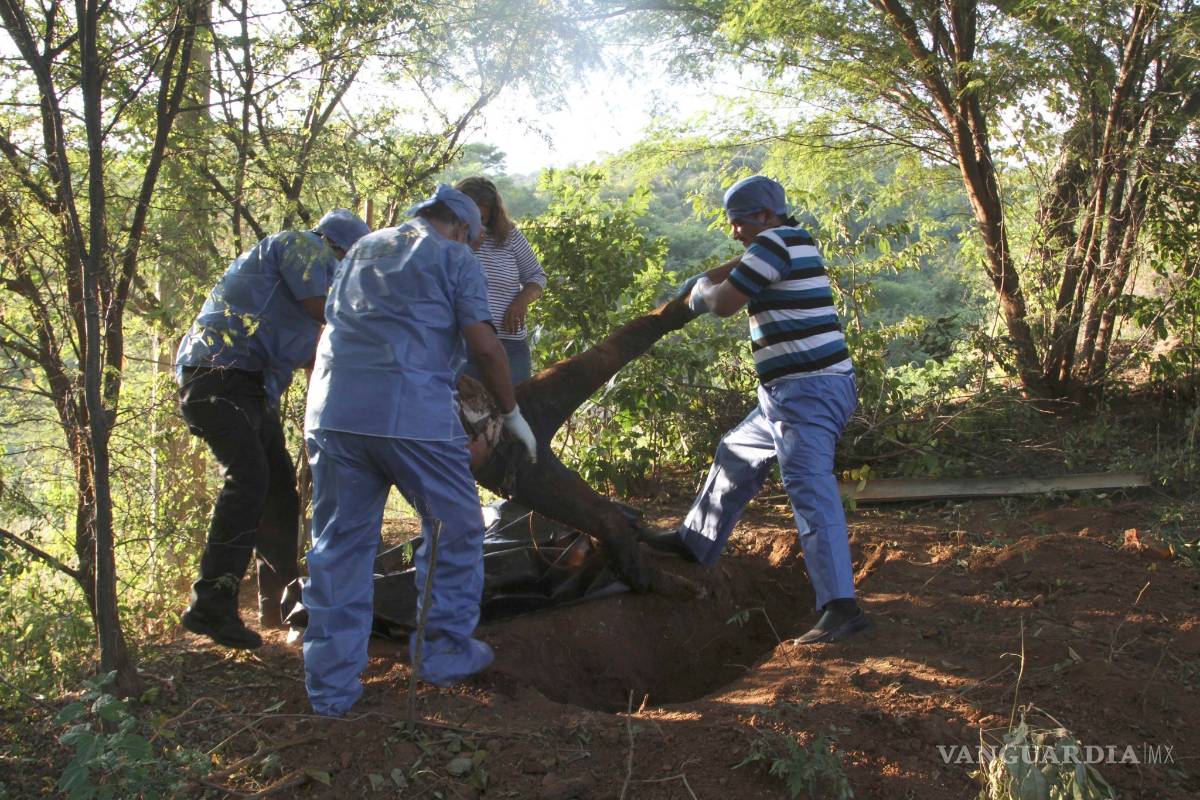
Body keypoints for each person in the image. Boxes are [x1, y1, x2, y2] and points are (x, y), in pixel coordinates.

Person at [302, 184, 538, 716]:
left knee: (338, 545)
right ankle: (443, 654)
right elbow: (483, 344)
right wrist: (510, 412)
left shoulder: (361, 248)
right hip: (411, 417)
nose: (473, 246)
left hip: (334, 414)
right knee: (454, 526)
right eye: (473, 239)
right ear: (461, 227)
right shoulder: (453, 256)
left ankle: (331, 691)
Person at [643, 176, 870, 644]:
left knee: (809, 487)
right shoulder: (794, 239)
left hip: (807, 391)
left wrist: (702, 289)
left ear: (765, 217)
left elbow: (725, 305)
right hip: (789, 393)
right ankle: (694, 540)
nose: (734, 232)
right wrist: (712, 279)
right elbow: (744, 274)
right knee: (736, 452)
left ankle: (841, 607)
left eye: (740, 222)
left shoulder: (772, 245)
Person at [175, 209, 371, 649]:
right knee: (249, 479)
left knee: (279, 492)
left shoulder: (313, 297)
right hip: (217, 374)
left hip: (250, 388)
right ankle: (211, 602)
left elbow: (316, 362)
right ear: (341, 248)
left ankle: (283, 604)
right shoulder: (301, 245)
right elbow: (325, 313)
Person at [455, 176, 546, 383]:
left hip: (510, 345)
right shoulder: (446, 241)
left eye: (483, 219)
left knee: (519, 407)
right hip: (463, 346)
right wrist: (467, 248)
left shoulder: (510, 236)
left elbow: (536, 276)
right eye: (471, 218)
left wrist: (521, 301)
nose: (477, 225)